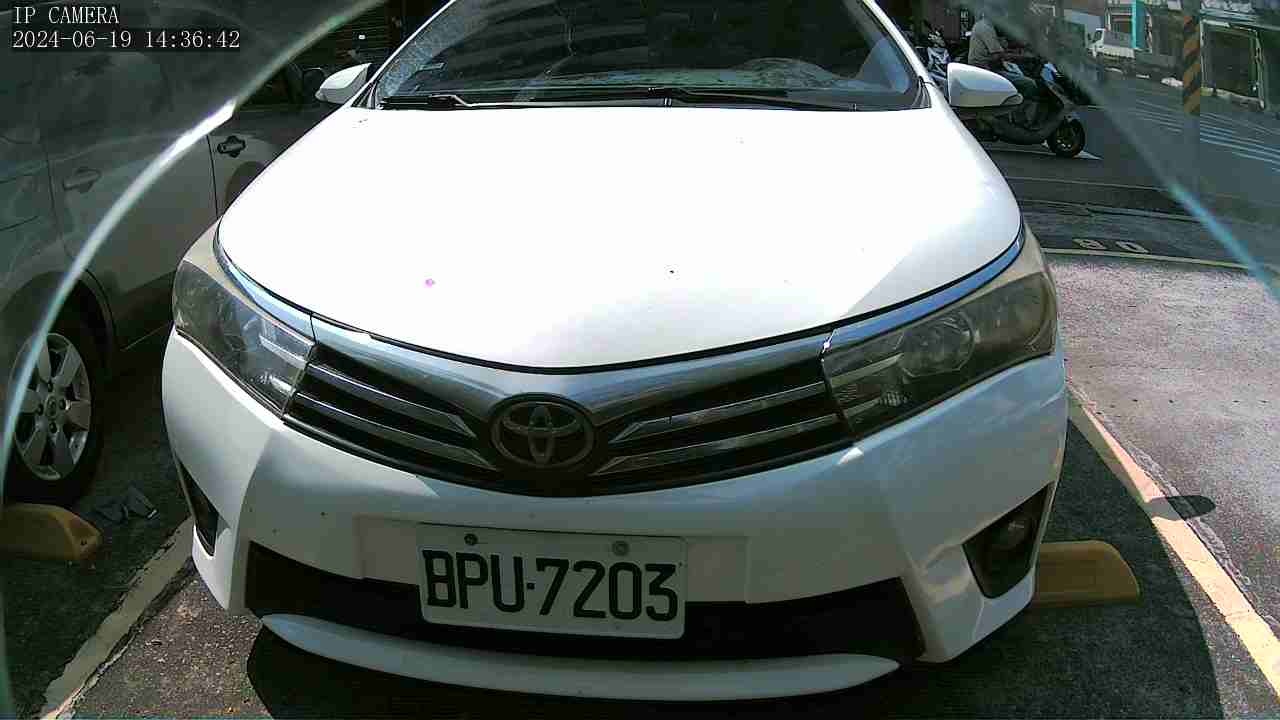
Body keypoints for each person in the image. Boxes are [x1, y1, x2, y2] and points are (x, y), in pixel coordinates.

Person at [968, 14, 1039, 114]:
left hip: (990, 67)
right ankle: (1020, 114)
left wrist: (1018, 50)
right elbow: (999, 54)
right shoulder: (986, 28)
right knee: (1029, 84)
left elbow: (1003, 48)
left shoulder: (986, 26)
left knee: (1020, 72)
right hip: (986, 70)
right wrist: (1027, 57)